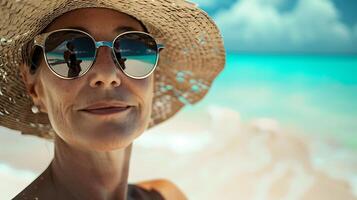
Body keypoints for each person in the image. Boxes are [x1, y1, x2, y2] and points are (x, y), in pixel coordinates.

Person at [0, 1, 225, 199]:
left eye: (133, 50)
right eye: (75, 53)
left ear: (153, 77)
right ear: (34, 87)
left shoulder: (167, 196)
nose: (107, 76)